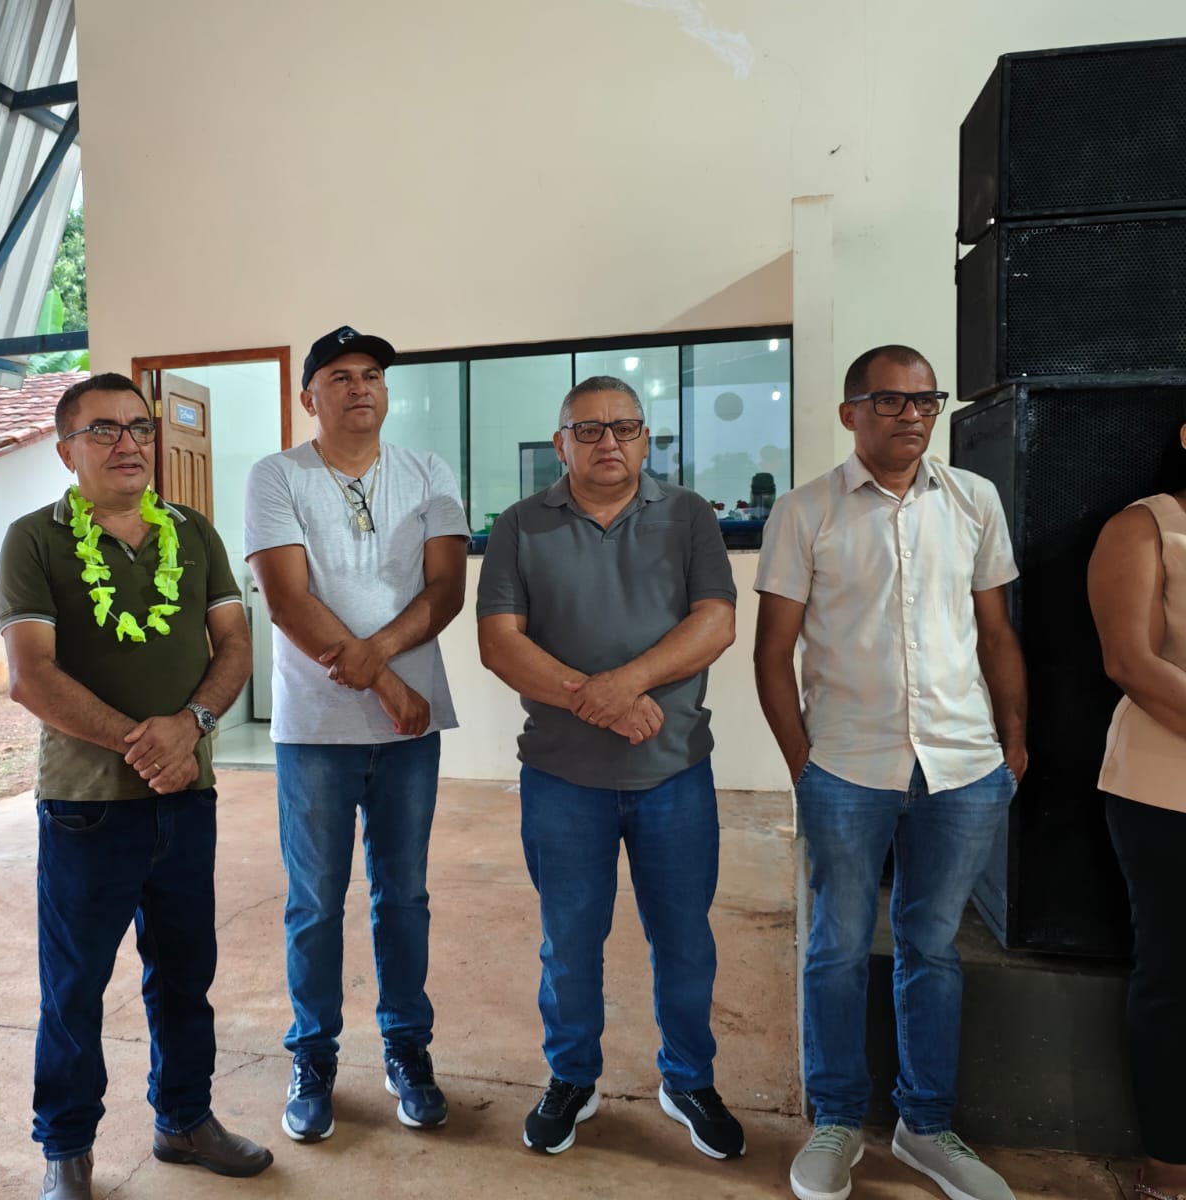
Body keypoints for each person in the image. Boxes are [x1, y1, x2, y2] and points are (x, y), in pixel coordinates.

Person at [754, 345, 1025, 1200]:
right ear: (851, 414)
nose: (913, 415)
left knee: (931, 946)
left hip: (962, 765)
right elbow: (772, 652)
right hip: (846, 766)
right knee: (835, 947)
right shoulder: (805, 511)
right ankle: (836, 1121)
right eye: (891, 401)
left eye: (926, 401)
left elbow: (995, 633)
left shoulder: (974, 499)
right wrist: (803, 762)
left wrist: (1013, 742)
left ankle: (926, 1126)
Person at [0, 373, 271, 1199]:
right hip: (86, 808)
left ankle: (185, 1119)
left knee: (186, 972)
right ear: (66, 451)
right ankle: (67, 1148)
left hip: (187, 799)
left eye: (140, 428)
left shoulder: (194, 533)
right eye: (104, 430)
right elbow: (30, 675)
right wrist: (145, 744)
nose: (129, 444)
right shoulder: (34, 540)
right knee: (74, 987)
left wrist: (190, 726)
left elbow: (235, 643)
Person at [476, 375, 747, 1160]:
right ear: (560, 443)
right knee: (569, 942)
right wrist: (601, 704)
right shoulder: (521, 525)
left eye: (624, 428)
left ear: (645, 440)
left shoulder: (688, 515)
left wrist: (625, 685)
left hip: (674, 773)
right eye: (588, 429)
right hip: (562, 779)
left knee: (685, 941)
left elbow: (716, 622)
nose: (608, 443)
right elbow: (499, 642)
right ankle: (572, 1077)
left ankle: (688, 1079)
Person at [245, 326, 468, 1142]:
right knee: (314, 902)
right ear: (310, 396)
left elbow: (447, 587)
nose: (359, 387)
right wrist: (385, 680)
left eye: (371, 374)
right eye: (338, 376)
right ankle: (314, 1057)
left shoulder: (428, 471)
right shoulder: (278, 475)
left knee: (402, 896)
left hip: (410, 732)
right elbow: (286, 600)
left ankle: (407, 1048)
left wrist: (381, 656)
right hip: (315, 731)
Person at [1088, 475, 1186, 1200]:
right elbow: (1130, 661)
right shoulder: (1144, 527)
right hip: (1164, 790)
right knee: (1177, 978)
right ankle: (1168, 1172)